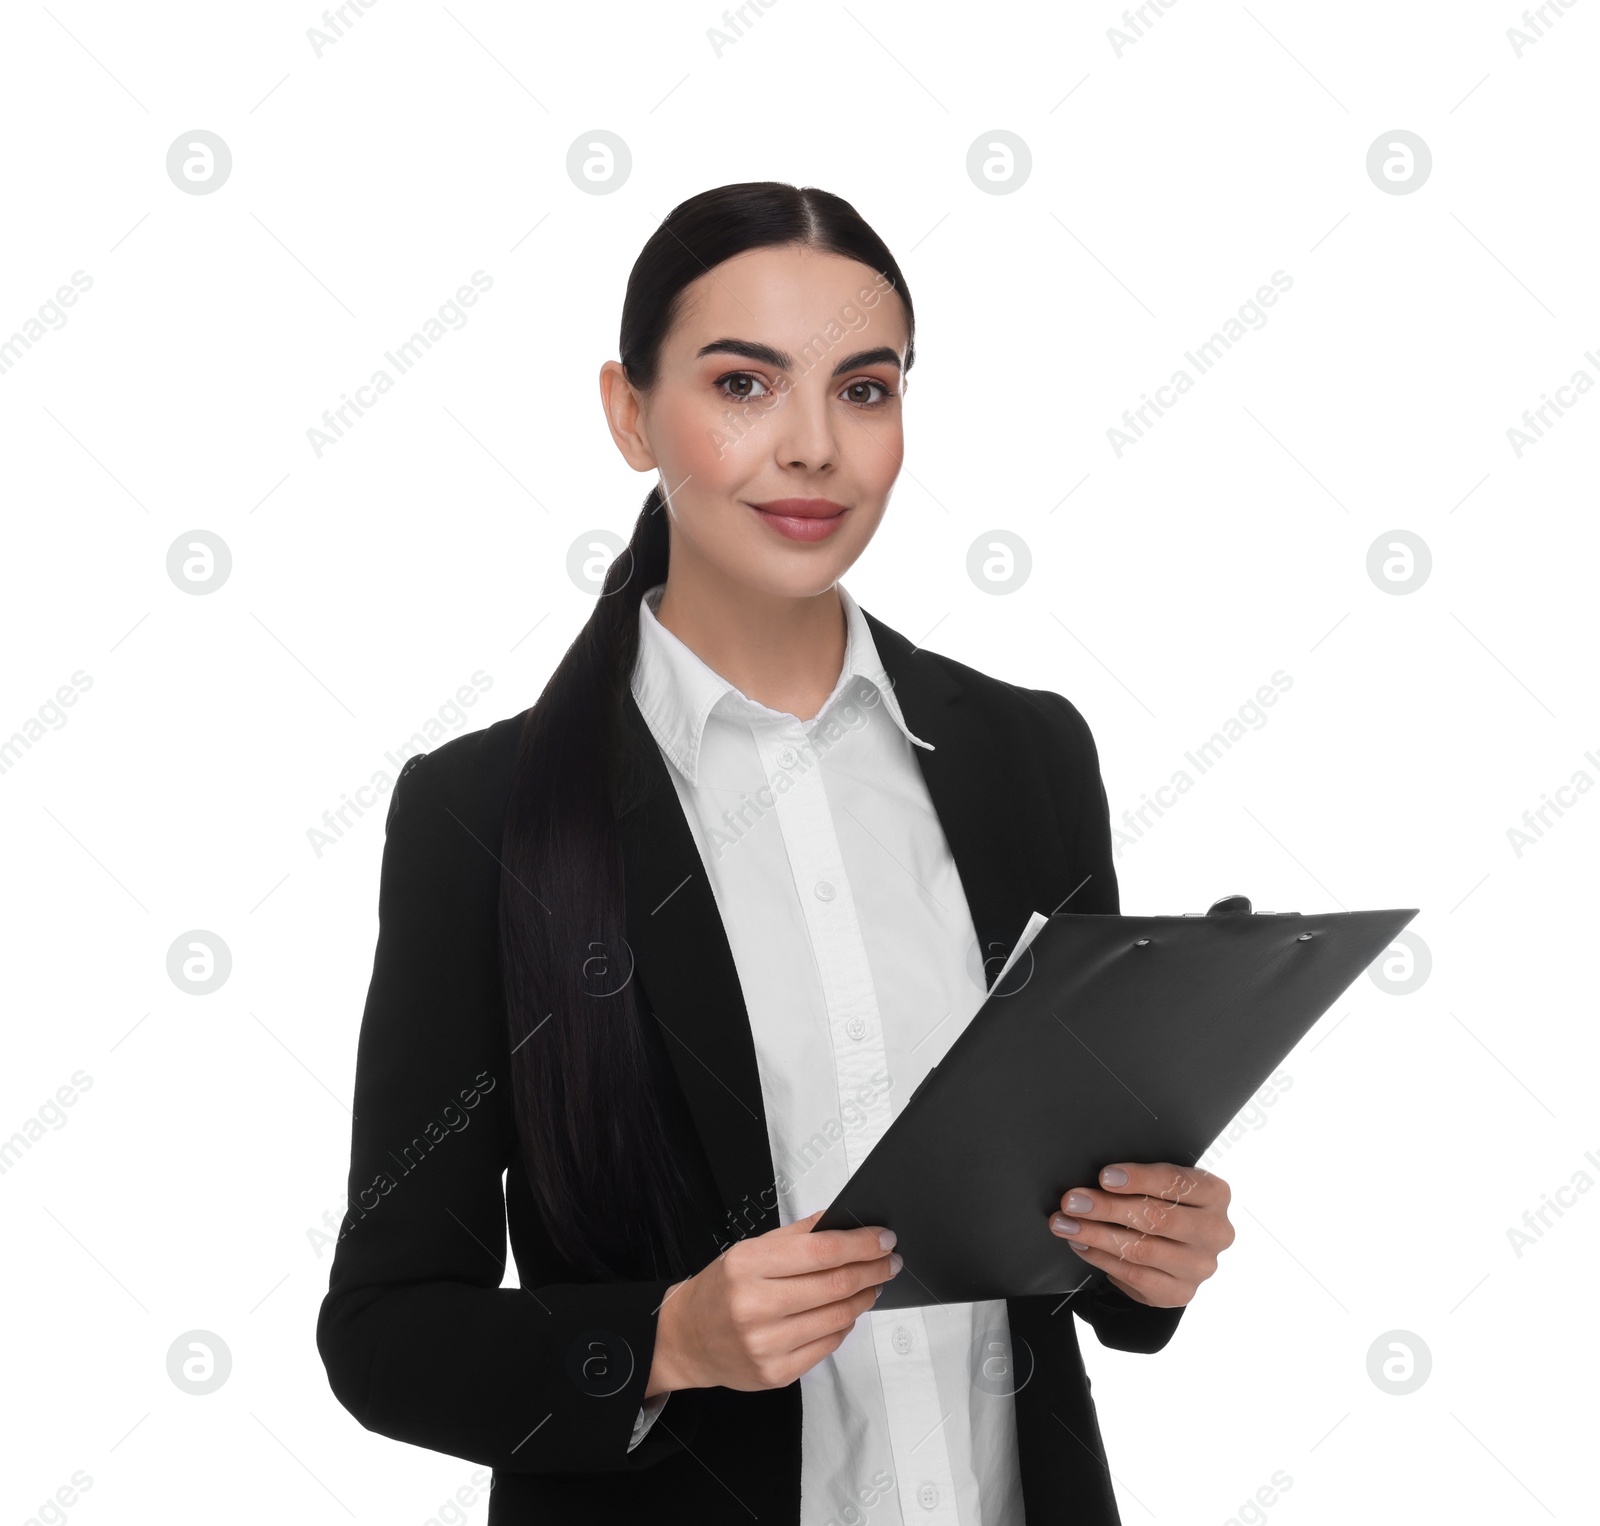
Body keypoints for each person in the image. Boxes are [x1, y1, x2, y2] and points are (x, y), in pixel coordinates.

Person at [316, 180, 1235, 1526]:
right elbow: (385, 1333)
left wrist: (1147, 1254)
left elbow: (1069, 1228)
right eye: (744, 384)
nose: (813, 445)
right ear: (630, 413)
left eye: (866, 390)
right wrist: (668, 1340)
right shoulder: (484, 812)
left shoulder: (1028, 755)